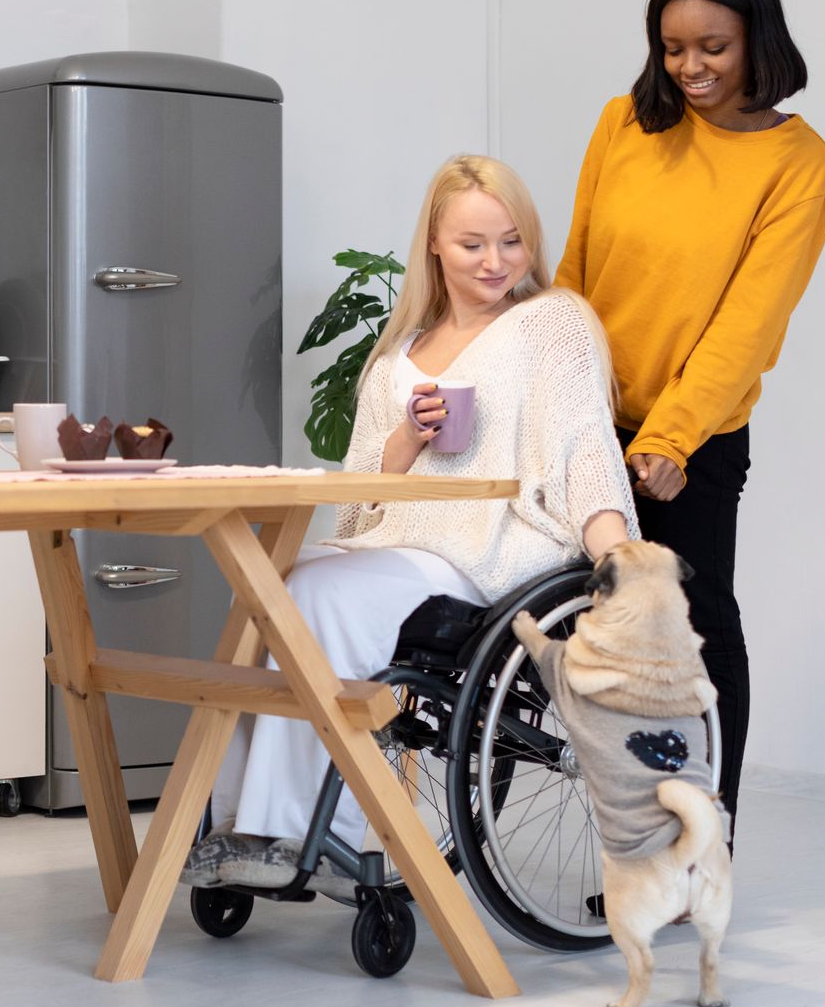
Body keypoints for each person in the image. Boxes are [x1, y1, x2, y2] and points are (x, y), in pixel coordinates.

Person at [182, 154, 637, 891]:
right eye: (473, 244)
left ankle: (299, 833)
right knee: (268, 589)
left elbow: (583, 443)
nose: (496, 261)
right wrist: (407, 442)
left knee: (321, 597)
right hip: (395, 544)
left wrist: (618, 557)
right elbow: (361, 503)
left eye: (512, 241)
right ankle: (239, 828)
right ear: (433, 242)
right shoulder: (399, 354)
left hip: (492, 548)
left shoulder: (551, 321)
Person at [555, 0, 825, 845]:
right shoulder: (621, 126)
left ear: (757, 36)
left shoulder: (796, 164)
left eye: (712, 46)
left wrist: (670, 439)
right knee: (573, 617)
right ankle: (615, 817)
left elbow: (748, 324)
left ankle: (700, 835)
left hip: (693, 436)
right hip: (586, 414)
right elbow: (575, 270)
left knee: (697, 627)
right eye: (673, 47)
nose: (691, 68)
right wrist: (548, 383)